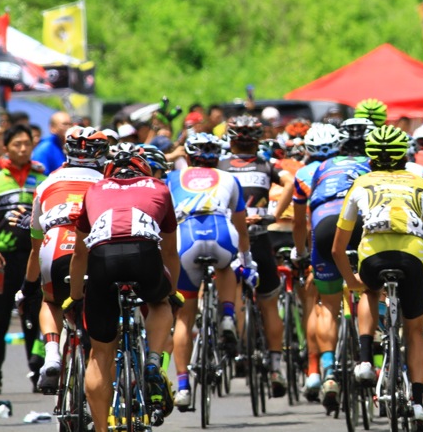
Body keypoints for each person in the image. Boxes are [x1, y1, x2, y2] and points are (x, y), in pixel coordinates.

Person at [332, 125, 423, 432]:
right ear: (403, 156)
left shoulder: (362, 182)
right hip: (412, 260)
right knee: (415, 332)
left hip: (373, 258)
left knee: (369, 291)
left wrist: (352, 281)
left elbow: (337, 248)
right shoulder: (420, 184)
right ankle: (419, 404)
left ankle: (366, 360)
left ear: (371, 156)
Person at [67, 149, 180, 429]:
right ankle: (153, 361)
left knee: (100, 354)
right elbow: (169, 252)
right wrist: (171, 292)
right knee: (160, 303)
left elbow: (79, 254)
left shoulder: (94, 189)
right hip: (144, 254)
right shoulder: (159, 187)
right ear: (145, 171)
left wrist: (76, 297)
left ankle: (102, 428)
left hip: (102, 259)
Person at [166, 132, 252, 409]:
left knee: (183, 319)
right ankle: (227, 314)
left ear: (188, 155)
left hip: (186, 241)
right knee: (226, 266)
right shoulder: (229, 178)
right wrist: (247, 260)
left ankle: (182, 387)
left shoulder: (172, 178)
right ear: (218, 156)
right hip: (221, 236)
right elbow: (241, 225)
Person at [21, 127, 109, 392]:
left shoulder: (47, 182)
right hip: (92, 244)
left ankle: (51, 354)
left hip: (54, 243)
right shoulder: (106, 182)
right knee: (104, 304)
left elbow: (35, 248)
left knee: (51, 301)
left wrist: (27, 288)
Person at [297, 118, 372, 410]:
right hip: (356, 223)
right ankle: (372, 354)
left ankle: (327, 370)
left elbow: (301, 216)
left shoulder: (315, 169)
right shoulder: (368, 164)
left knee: (327, 304)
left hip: (324, 225)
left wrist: (303, 252)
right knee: (369, 290)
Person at [218, 115, 290, 397]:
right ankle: (274, 365)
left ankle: (230, 333)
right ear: (257, 140)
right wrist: (275, 213)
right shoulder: (266, 165)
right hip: (258, 236)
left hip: (228, 236)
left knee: (231, 290)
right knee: (269, 302)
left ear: (231, 139)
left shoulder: (220, 166)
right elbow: (291, 182)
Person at [0, 124, 47, 394]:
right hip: (1, 261)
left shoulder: (43, 179)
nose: (22, 149)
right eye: (16, 144)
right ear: (6, 148)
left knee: (36, 315)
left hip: (35, 259)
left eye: (26, 144)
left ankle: (40, 374)